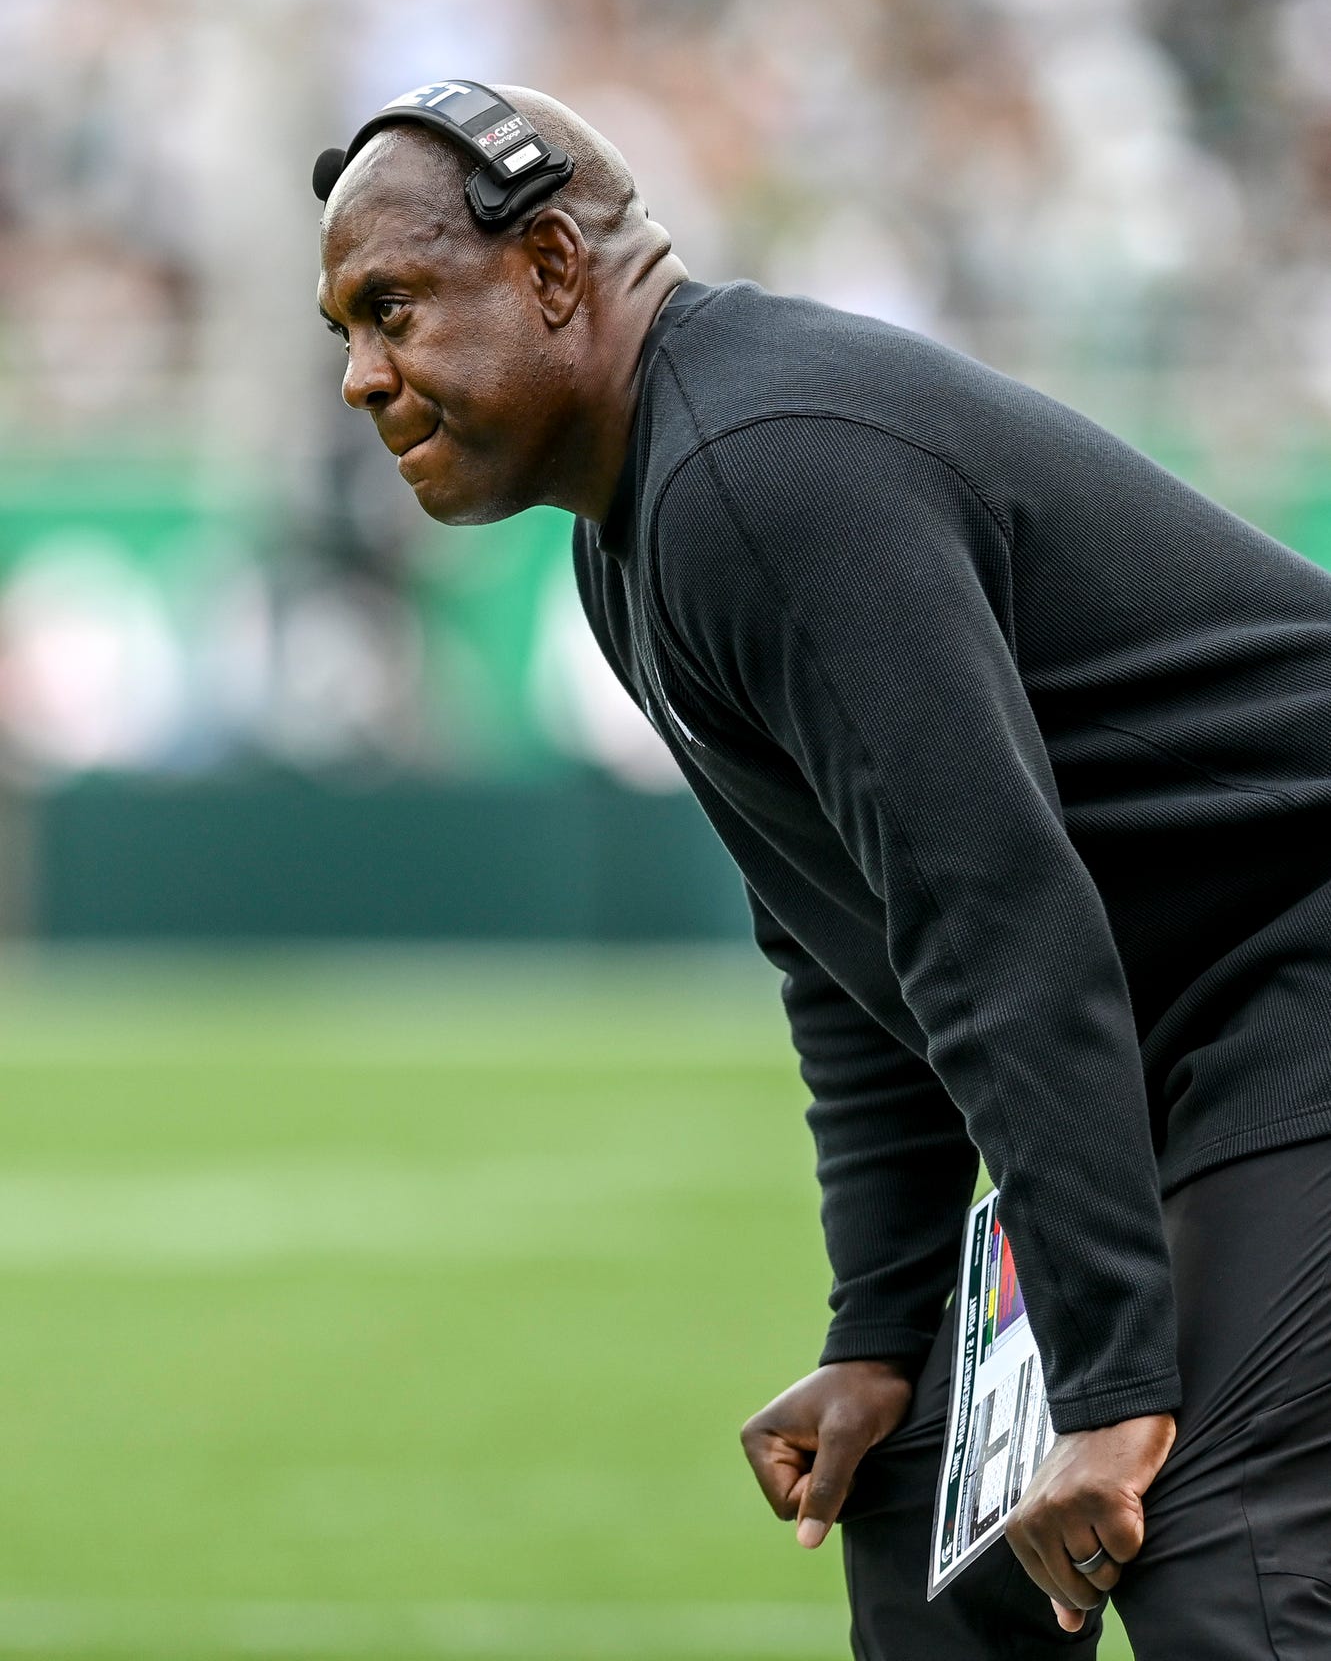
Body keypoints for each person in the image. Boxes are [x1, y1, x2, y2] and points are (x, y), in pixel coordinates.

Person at [316, 85, 1331, 1659]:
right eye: (345, 330)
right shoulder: (632, 529)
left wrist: (1119, 1388)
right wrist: (879, 1329)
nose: (362, 376)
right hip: (1205, 1024)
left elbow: (995, 918)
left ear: (555, 273)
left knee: (1217, 1549)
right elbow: (846, 949)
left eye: (391, 308)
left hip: (1293, 972)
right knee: (934, 1503)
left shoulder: (759, 468)